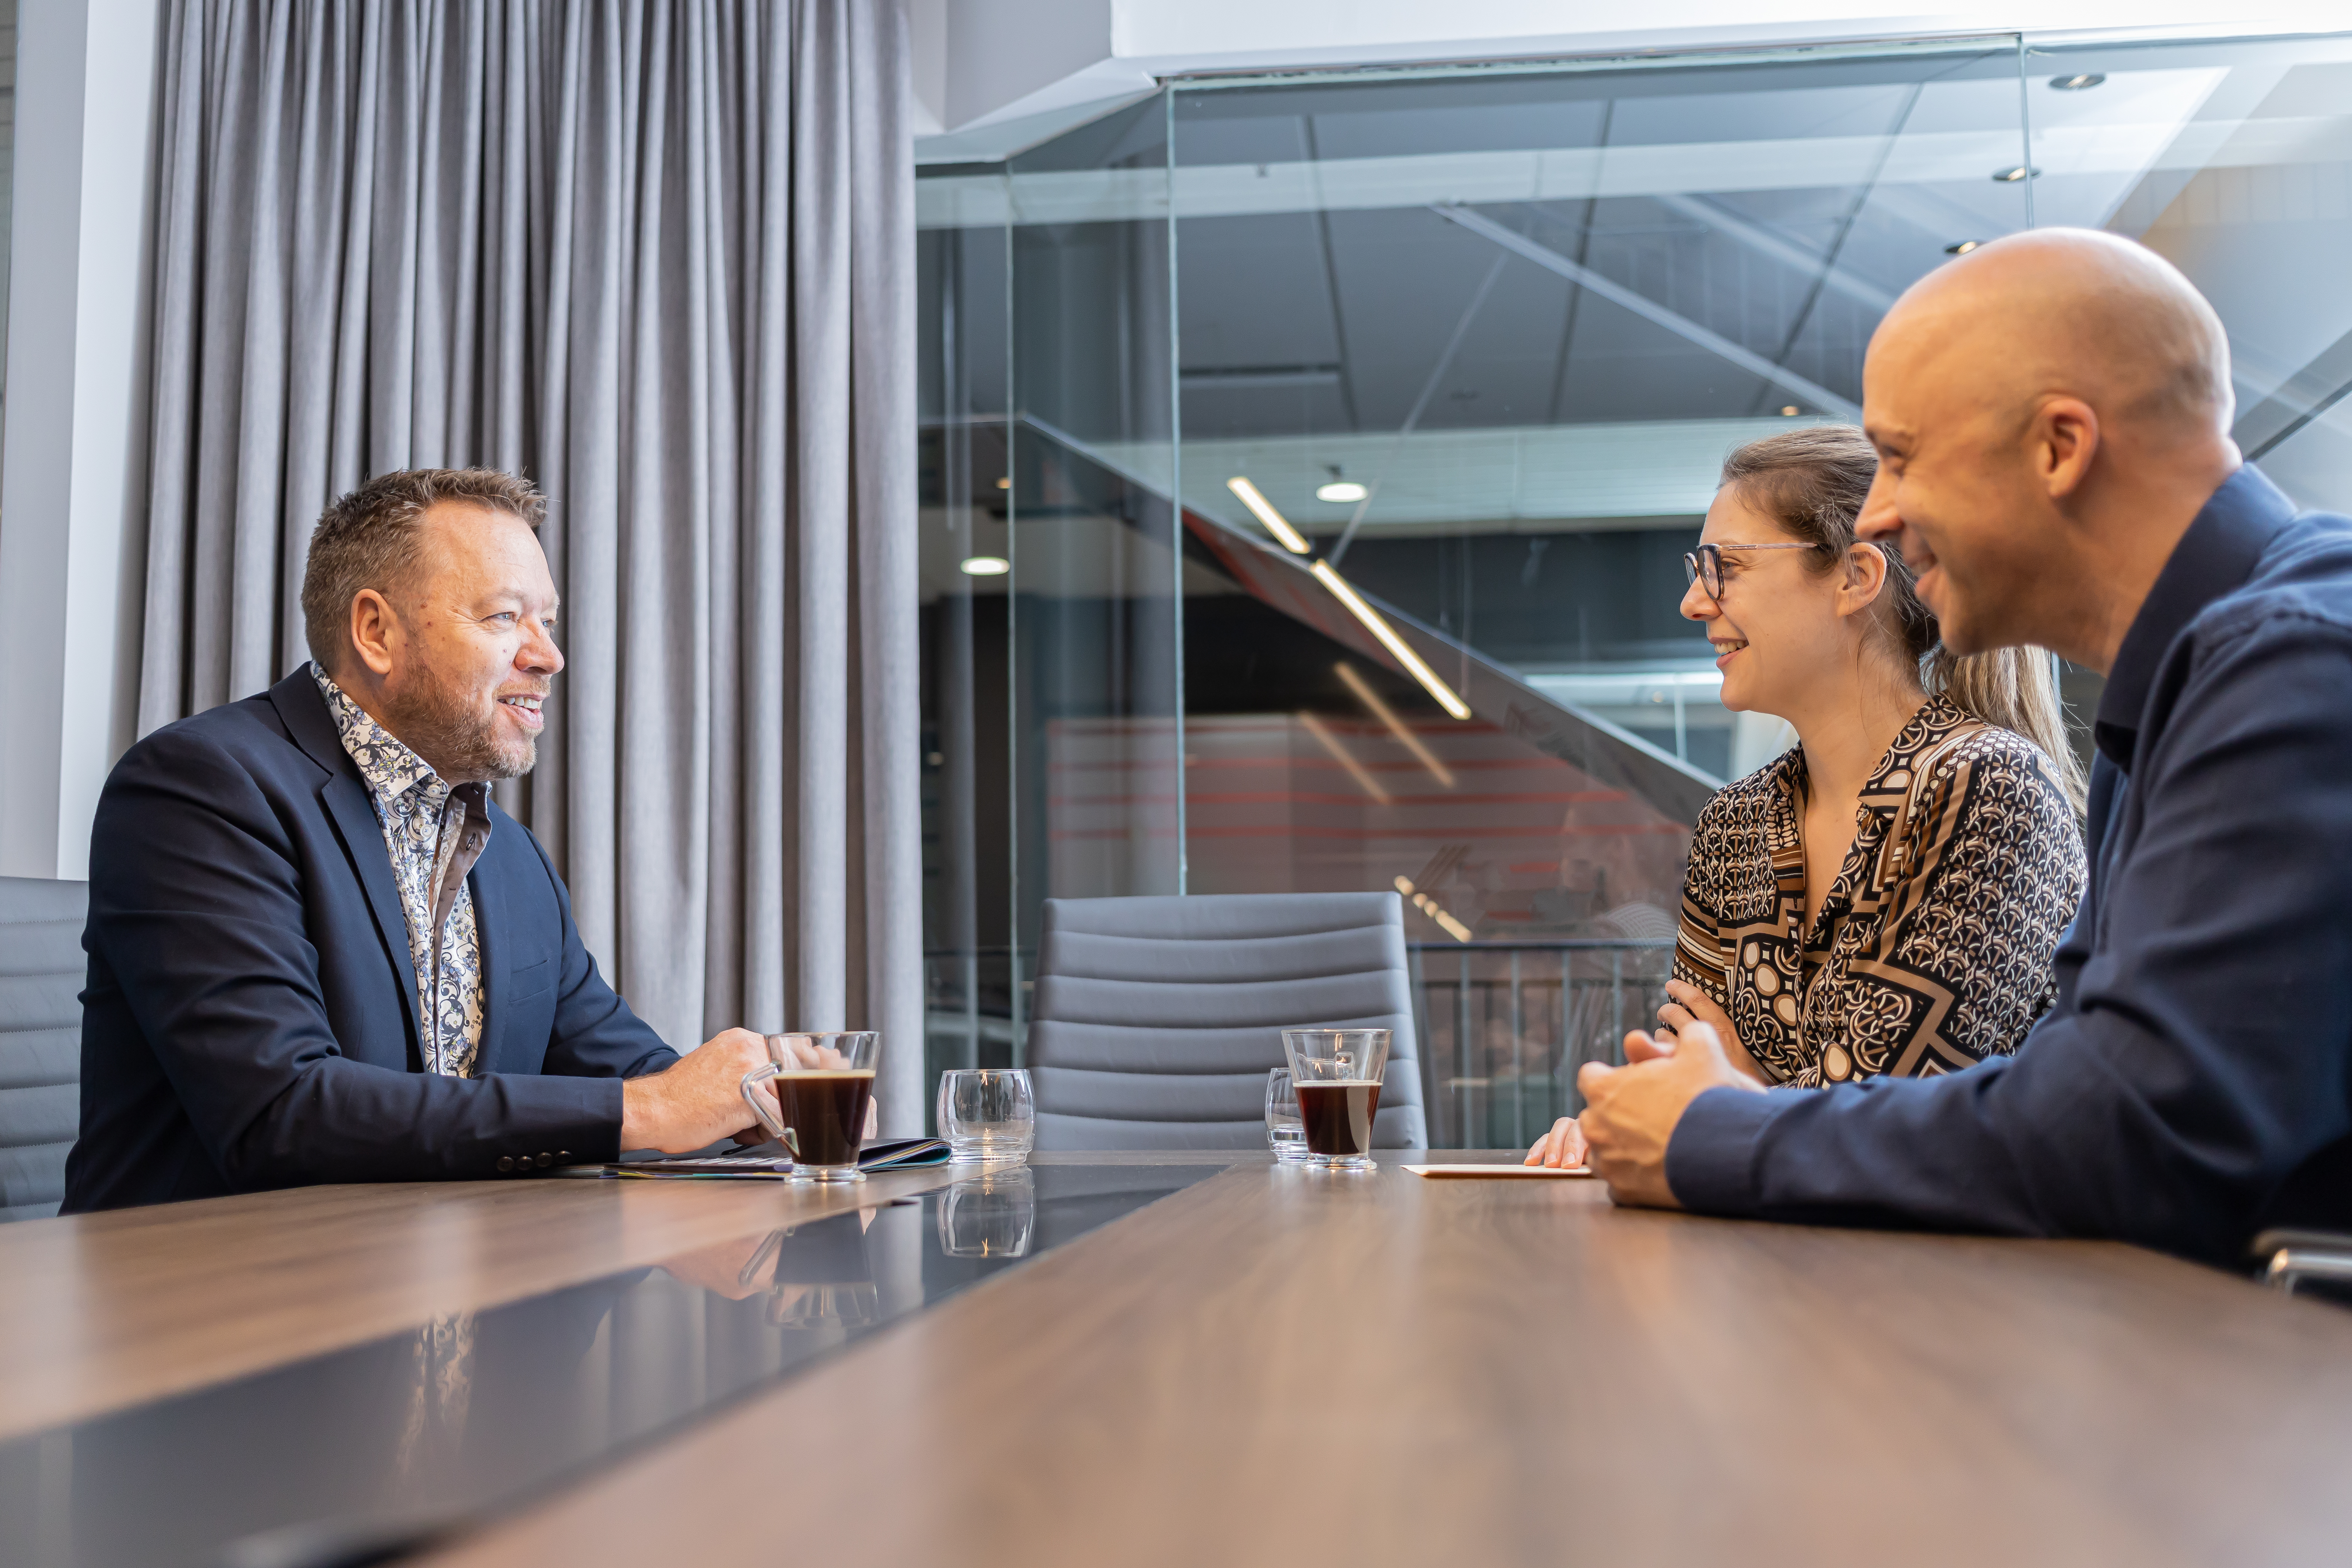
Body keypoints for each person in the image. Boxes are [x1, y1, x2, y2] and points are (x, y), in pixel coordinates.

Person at [1568, 228, 2352, 1264]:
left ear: (2059, 449)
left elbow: (2133, 1127)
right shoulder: (2175, 697)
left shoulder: (2289, 665)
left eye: (1901, 457)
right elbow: (2081, 1080)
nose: (1882, 515)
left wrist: (1718, 1129)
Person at [65, 469, 781, 1212]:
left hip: (442, 1293)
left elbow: (627, 1071)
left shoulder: (509, 855)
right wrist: (651, 1113)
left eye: (549, 622)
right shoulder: (202, 789)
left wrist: (756, 1107)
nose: (547, 656)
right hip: (213, 1304)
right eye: (507, 617)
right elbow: (279, 1110)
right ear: (377, 631)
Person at [1528, 427, 2086, 1168]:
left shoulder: (1987, 791)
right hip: (1764, 1259)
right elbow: (1681, 1082)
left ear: (1855, 576)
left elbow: (1899, 1129)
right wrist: (1615, 1121)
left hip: (1965, 1273)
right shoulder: (1736, 824)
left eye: (1722, 566)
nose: (1694, 602)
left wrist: (1732, 1095)